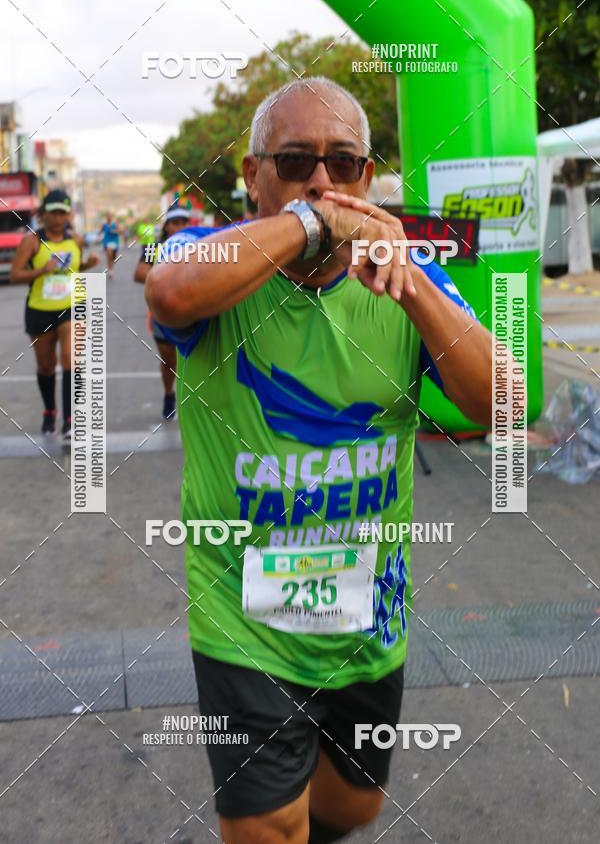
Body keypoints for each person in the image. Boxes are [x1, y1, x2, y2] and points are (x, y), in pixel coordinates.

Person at [147, 77, 493, 844]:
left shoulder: (409, 278)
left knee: (350, 808)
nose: (321, 180)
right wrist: (309, 222)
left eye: (343, 164)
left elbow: (501, 400)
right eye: (296, 161)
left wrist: (412, 286)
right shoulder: (206, 260)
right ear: (253, 175)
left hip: (368, 613)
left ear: (367, 177)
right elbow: (170, 293)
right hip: (243, 620)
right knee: (270, 823)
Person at [10, 189, 100, 440]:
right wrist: (42, 270)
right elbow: (15, 275)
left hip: (72, 306)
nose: (58, 218)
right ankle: (50, 410)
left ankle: (71, 420)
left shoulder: (76, 240)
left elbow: (73, 268)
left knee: (71, 358)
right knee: (46, 365)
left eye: (63, 213)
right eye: (53, 213)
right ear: (43, 215)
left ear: (68, 215)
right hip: (39, 309)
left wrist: (87, 265)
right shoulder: (32, 241)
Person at [133, 204, 192, 420]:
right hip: (163, 313)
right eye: (176, 223)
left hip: (193, 310)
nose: (181, 227)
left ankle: (194, 401)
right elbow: (139, 273)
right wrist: (167, 277)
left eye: (184, 222)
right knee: (169, 360)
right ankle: (169, 394)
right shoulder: (155, 247)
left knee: (196, 358)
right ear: (167, 226)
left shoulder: (198, 244)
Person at [100, 212, 121, 279]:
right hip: (107, 241)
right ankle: (110, 271)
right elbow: (101, 231)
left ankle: (111, 267)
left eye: (110, 216)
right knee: (109, 255)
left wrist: (115, 231)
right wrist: (99, 235)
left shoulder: (115, 223)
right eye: (108, 216)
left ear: (112, 217)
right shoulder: (104, 224)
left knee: (113, 257)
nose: (109, 217)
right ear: (107, 217)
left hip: (114, 241)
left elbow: (120, 231)